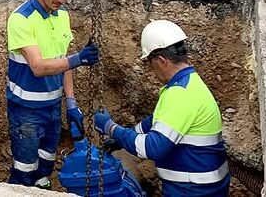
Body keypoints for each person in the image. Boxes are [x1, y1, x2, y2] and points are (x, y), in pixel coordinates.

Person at [93, 20, 229, 196]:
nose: (151, 68)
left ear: (161, 60)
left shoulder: (180, 94)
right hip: (204, 185)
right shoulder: (189, 83)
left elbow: (151, 148)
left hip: (194, 190)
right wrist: (120, 140)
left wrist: (111, 128)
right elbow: (154, 122)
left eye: (150, 62)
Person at [6, 0, 100, 190]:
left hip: (52, 109)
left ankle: (42, 184)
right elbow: (38, 67)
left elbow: (63, 62)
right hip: (26, 112)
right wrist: (78, 59)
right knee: (24, 171)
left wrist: (70, 102)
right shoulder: (21, 19)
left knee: (46, 163)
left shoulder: (62, 17)